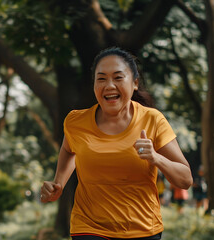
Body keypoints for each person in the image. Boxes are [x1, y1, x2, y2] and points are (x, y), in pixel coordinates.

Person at [40, 47, 192, 240]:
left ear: (135, 83)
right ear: (94, 84)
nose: (109, 85)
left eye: (118, 78)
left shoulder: (152, 120)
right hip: (88, 227)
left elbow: (185, 180)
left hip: (142, 229)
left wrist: (156, 158)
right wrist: (58, 183)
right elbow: (70, 151)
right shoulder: (75, 122)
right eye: (101, 78)